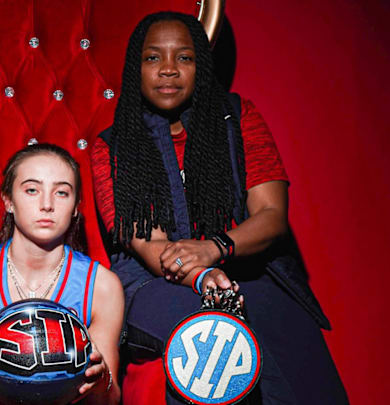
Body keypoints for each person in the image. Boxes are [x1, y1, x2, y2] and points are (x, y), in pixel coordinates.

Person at [90, 11, 348, 404]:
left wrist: (216, 248)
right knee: (208, 334)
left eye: (185, 57)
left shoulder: (237, 118)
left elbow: (271, 216)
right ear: (135, 69)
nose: (169, 69)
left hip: (245, 267)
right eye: (153, 57)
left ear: (202, 66)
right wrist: (202, 274)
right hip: (154, 282)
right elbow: (149, 244)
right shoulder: (112, 146)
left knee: (290, 339)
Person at [0, 143, 124, 405]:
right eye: (32, 190)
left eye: (62, 192)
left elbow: (109, 400)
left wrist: (101, 381)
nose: (47, 205)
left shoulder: (103, 286)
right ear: (8, 200)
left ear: (76, 207)